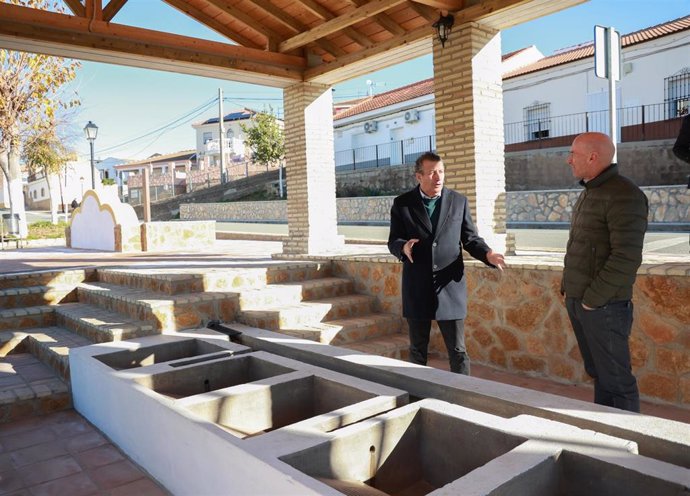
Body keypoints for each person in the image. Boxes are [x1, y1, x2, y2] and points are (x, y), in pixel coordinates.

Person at [387, 152, 506, 375]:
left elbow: (470, 239)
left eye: (441, 171)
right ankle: (416, 396)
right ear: (419, 176)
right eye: (432, 172)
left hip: (450, 287)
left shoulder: (458, 201)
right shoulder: (402, 204)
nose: (438, 177)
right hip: (417, 287)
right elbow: (393, 240)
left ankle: (463, 397)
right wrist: (403, 247)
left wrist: (488, 254)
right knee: (417, 351)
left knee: (458, 351)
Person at [562, 132, 648, 413]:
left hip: (604, 306)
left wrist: (592, 300)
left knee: (617, 382)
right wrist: (569, 289)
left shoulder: (625, 195)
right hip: (582, 301)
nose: (568, 159)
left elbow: (626, 257)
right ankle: (605, 433)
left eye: (573, 154)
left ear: (592, 156)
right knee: (601, 375)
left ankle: (626, 446)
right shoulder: (591, 191)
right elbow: (582, 245)